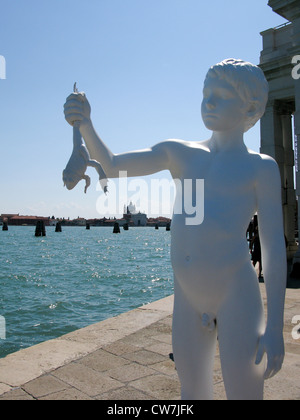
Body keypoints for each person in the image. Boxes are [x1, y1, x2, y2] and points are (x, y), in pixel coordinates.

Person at [64, 58, 287, 400]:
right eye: (205, 93)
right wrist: (86, 125)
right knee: (192, 392)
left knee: (244, 394)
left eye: (221, 95)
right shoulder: (180, 153)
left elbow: (272, 250)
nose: (209, 102)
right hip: (187, 297)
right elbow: (113, 165)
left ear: (251, 108)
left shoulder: (260, 168)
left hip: (237, 294)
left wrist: (275, 328)